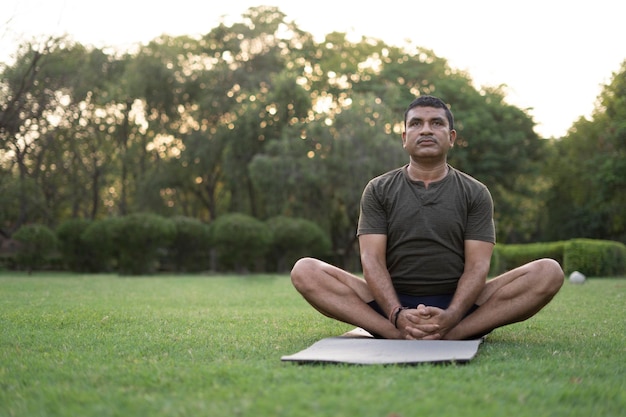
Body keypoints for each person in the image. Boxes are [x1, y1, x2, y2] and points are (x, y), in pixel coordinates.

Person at [290, 95, 564, 340]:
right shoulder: (378, 189)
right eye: (416, 124)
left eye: (436, 123)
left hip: (462, 304)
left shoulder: (475, 192)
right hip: (388, 305)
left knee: (549, 272)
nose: (426, 130)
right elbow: (371, 260)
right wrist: (396, 315)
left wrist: (455, 313)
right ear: (404, 137)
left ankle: (454, 333)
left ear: (452, 137)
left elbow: (478, 266)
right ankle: (395, 334)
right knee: (305, 270)